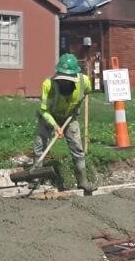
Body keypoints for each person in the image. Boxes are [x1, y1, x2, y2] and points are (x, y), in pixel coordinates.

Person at [34, 53, 95, 193]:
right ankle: (36, 178)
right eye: (62, 80)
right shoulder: (48, 84)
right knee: (40, 144)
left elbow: (87, 92)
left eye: (68, 80)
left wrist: (76, 108)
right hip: (49, 116)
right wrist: (55, 126)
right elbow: (44, 110)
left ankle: (83, 182)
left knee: (77, 149)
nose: (65, 83)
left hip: (69, 116)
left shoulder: (84, 81)